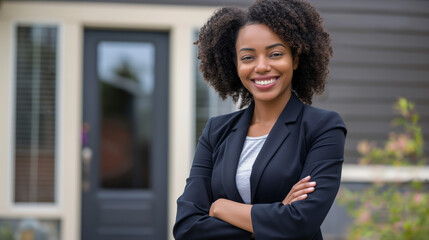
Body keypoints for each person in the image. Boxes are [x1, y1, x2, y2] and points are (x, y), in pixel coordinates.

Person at [173, 0, 347, 239]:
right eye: (248, 58)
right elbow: (187, 227)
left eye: (275, 54)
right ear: (235, 65)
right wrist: (271, 221)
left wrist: (220, 208)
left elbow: (300, 221)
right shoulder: (216, 131)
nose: (262, 66)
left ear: (295, 59)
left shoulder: (322, 127)